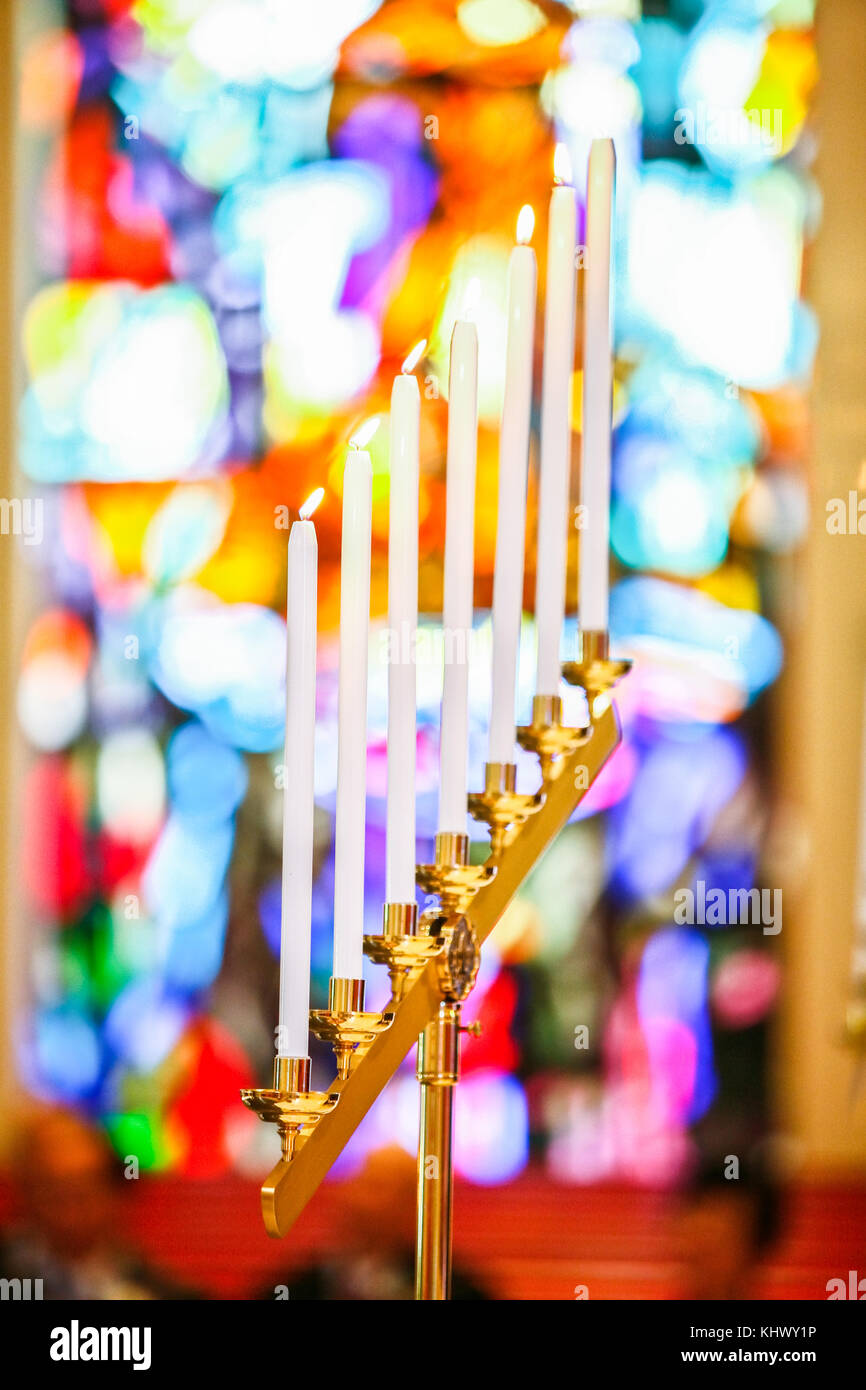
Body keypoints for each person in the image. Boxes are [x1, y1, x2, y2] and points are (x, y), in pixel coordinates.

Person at [0, 1106, 198, 1299]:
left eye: (83, 1192)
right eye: (53, 1192)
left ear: (111, 1193)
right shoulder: (9, 1276)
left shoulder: (156, 1289)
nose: (70, 1213)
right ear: (25, 1192)